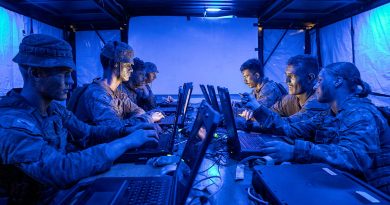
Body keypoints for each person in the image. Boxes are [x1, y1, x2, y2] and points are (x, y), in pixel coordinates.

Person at [0, 34, 158, 204]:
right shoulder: (12, 122)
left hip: (66, 194)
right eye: (64, 74)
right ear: (36, 73)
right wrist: (126, 142)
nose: (70, 81)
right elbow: (60, 169)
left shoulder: (54, 109)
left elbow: (88, 132)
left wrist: (126, 130)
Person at [253, 62, 390, 194]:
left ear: (337, 81)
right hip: (349, 184)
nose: (315, 86)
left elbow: (354, 157)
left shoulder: (360, 113)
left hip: (372, 191)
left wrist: (295, 151)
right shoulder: (328, 114)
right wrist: (255, 112)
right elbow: (290, 128)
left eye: (320, 80)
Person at [68, 42, 164, 142]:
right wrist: (148, 118)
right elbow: (115, 129)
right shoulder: (97, 94)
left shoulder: (118, 93)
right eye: (128, 65)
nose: (131, 70)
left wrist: (130, 121)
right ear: (113, 64)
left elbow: (139, 111)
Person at [240, 55, 329, 134]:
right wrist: (248, 122)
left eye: (291, 76)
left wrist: (256, 109)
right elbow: (270, 114)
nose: (287, 81)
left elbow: (289, 125)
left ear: (310, 78)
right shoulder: (290, 99)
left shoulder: (318, 101)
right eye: (286, 76)